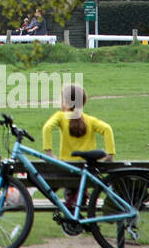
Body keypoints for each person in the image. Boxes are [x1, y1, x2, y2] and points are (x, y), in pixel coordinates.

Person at [41, 84, 114, 214]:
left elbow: (47, 128)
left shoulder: (61, 117)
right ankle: (80, 197)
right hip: (87, 171)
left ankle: (72, 200)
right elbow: (107, 129)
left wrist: (49, 153)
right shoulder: (90, 120)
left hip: (68, 170)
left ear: (65, 102)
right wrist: (110, 155)